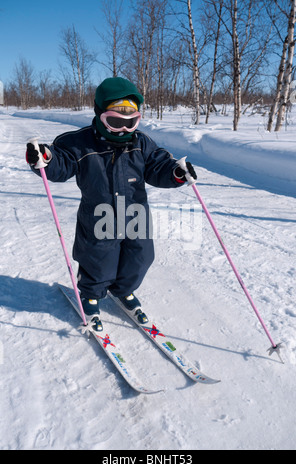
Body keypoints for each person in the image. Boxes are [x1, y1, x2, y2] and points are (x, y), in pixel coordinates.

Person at [26, 77, 197, 331]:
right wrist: (46, 158)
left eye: (131, 123)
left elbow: (158, 166)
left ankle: (124, 291)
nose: (124, 130)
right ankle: (91, 295)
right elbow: (61, 163)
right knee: (99, 259)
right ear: (100, 115)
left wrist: (176, 173)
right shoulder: (80, 143)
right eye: (115, 122)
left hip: (135, 215)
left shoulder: (142, 143)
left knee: (140, 257)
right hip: (99, 216)